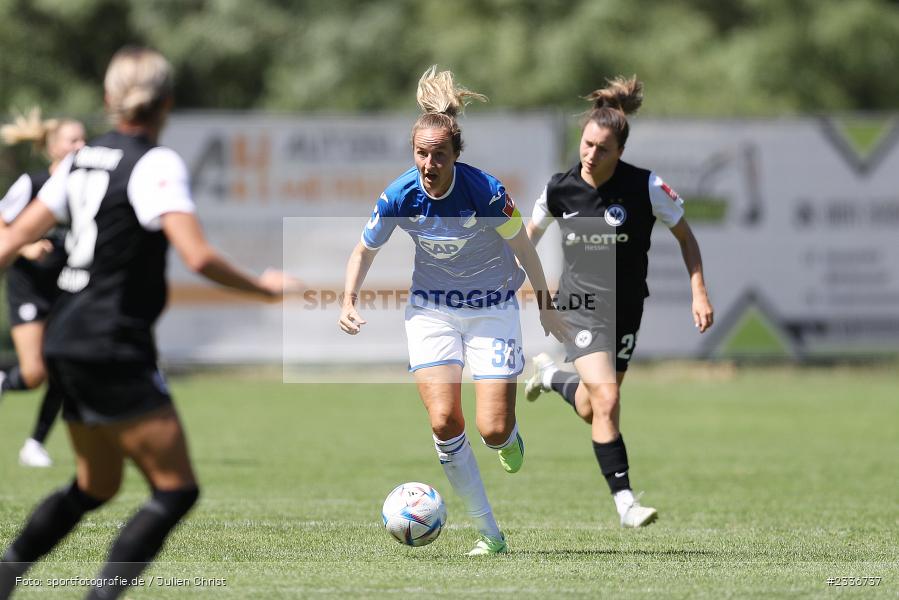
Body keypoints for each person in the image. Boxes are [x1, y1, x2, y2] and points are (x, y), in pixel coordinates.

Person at [0, 46, 294, 600]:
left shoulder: (81, 161)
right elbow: (199, 256)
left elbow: (12, 237)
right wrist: (264, 289)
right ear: (167, 103)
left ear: (110, 100)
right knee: (174, 490)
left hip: (65, 337)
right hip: (110, 341)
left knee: (96, 486)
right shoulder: (154, 163)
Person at [339, 66, 564, 556]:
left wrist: (545, 307)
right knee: (444, 420)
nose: (428, 162)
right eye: (421, 153)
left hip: (492, 308)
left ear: (455, 156)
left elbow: (525, 249)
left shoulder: (484, 192)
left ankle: (508, 439)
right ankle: (490, 533)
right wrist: (348, 298)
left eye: (438, 154)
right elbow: (364, 249)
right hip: (431, 311)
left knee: (493, 429)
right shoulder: (400, 194)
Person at [523, 76, 714, 528]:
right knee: (608, 401)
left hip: (626, 309)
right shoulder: (560, 188)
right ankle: (625, 502)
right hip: (579, 307)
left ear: (619, 152)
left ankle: (551, 377)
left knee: (593, 407)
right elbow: (527, 239)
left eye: (601, 149)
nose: (590, 154)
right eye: (586, 144)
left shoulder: (647, 187)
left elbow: (686, 238)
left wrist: (699, 290)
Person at [0, 109, 86, 467]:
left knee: (66, 366)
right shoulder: (32, 185)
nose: (81, 146)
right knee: (35, 373)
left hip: (66, 289)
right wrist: (25, 246)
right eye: (73, 140)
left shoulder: (85, 190)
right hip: (28, 288)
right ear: (53, 148)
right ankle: (5, 379)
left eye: (84, 139)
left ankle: (35, 443)